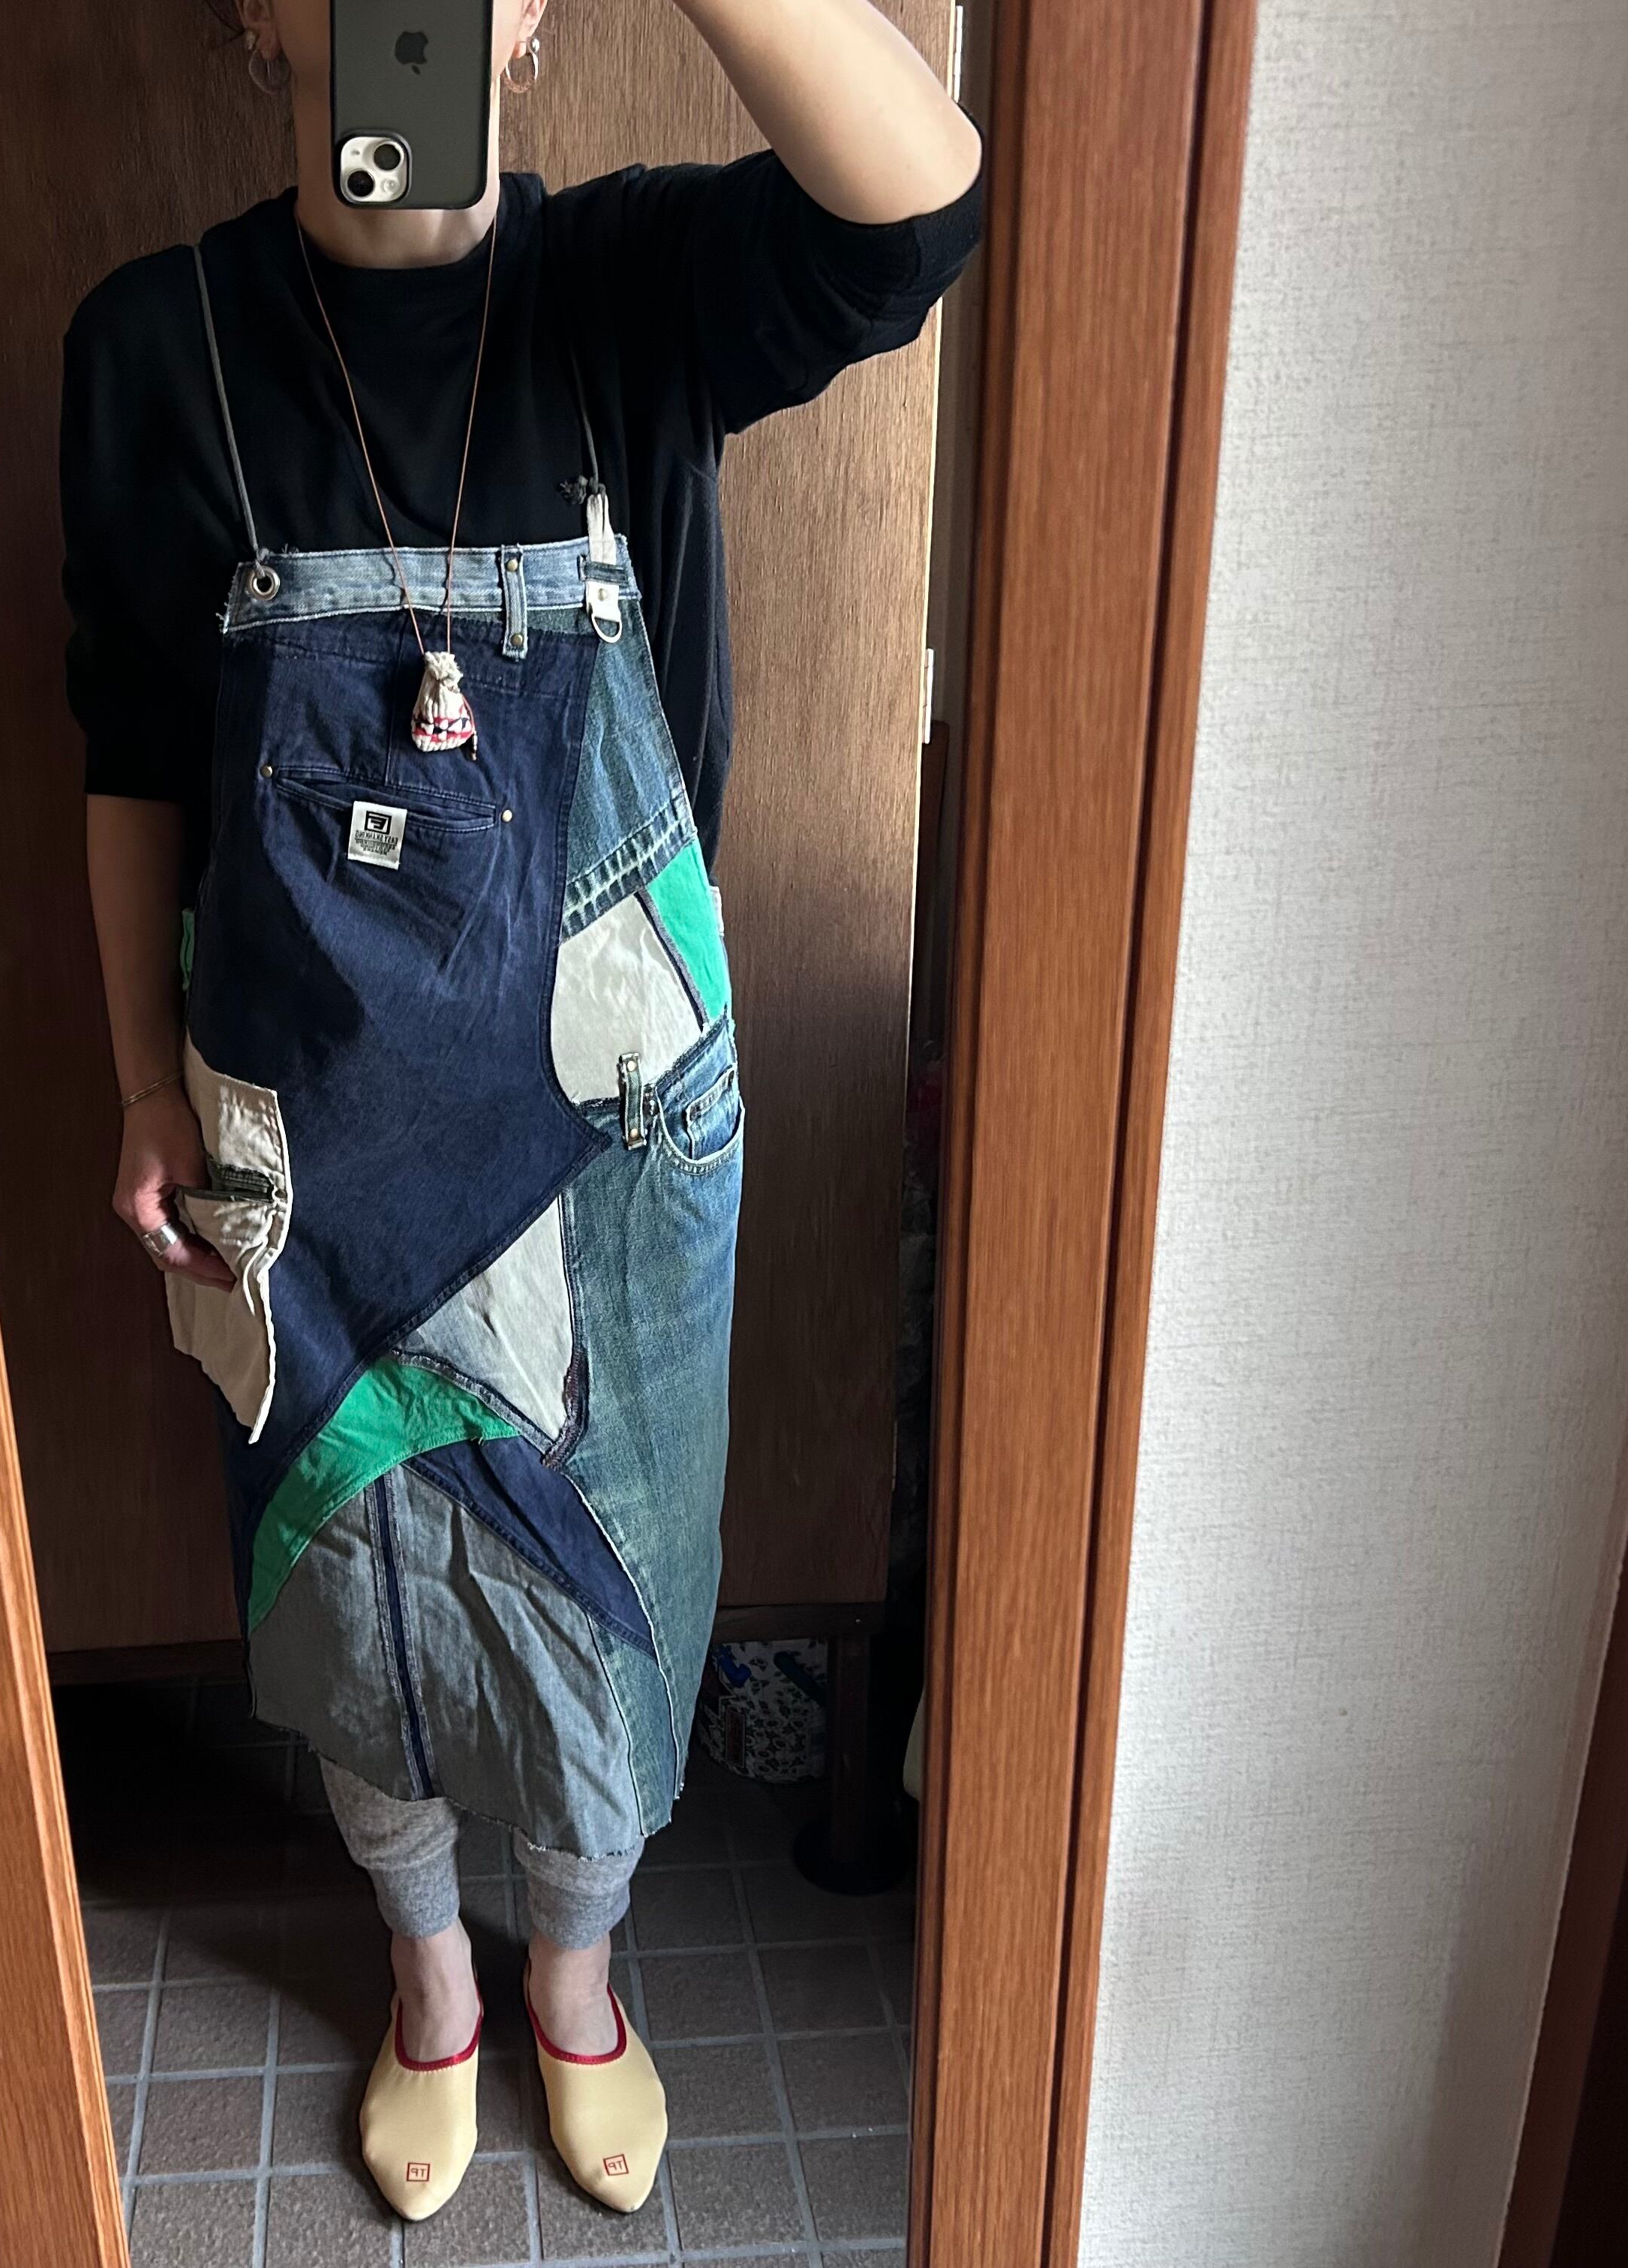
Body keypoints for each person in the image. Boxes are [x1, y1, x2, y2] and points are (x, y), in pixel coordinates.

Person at [63, 0, 981, 2223]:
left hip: (615, 1138)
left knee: (608, 1586)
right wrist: (139, 1085)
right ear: (257, 12)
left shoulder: (635, 290)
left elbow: (921, 210)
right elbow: (130, 756)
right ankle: (428, 1980)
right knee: (345, 1576)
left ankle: (576, 1976)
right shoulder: (156, 345)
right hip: (298, 1130)